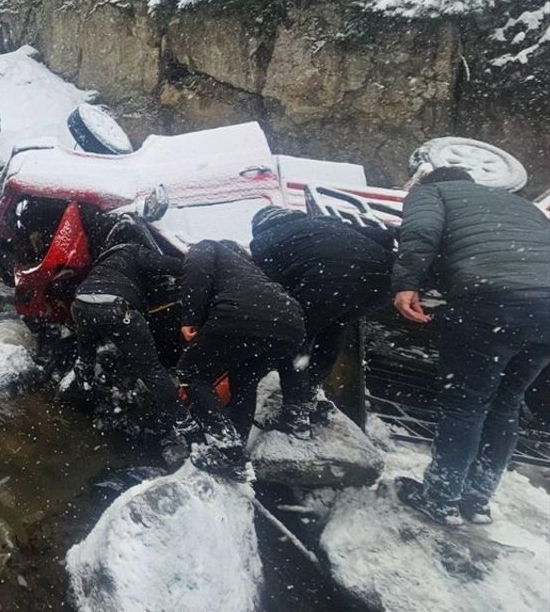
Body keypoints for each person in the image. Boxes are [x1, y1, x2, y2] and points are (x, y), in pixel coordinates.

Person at [391, 167, 550, 526]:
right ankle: (477, 501)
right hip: (546, 311)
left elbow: (420, 232)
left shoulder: (432, 194)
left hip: (491, 301)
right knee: (507, 403)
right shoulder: (521, 205)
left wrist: (407, 281)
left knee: (465, 403)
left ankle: (441, 498)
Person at [250, 207, 396, 437]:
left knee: (291, 339)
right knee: (333, 327)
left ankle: (294, 413)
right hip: (382, 281)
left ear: (259, 226)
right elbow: (386, 236)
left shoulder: (262, 242)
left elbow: (274, 288)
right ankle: (308, 393)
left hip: (325, 279)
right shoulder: (327, 222)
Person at [176, 239, 306, 480]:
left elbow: (196, 272)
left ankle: (228, 447)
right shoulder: (251, 270)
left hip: (244, 314)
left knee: (191, 373)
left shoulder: (208, 247)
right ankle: (236, 456)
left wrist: (190, 318)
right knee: (244, 384)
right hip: (290, 325)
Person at [68, 220, 196, 462]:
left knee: (86, 352)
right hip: (117, 309)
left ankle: (85, 387)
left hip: (81, 305)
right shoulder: (132, 251)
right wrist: (191, 266)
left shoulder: (104, 260)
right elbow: (167, 265)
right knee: (151, 370)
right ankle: (186, 424)